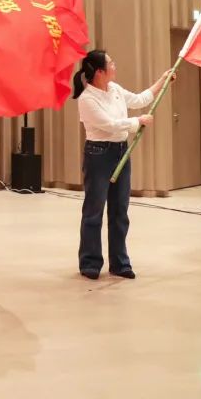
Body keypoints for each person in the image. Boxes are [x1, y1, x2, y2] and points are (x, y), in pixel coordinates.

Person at [73, 50, 174, 281]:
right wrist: (137, 121)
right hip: (98, 155)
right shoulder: (87, 99)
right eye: (111, 63)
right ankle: (90, 262)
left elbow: (139, 99)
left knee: (120, 210)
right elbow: (109, 124)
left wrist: (163, 80)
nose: (114, 65)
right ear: (100, 72)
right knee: (94, 210)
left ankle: (119, 263)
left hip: (121, 152)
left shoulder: (115, 89)